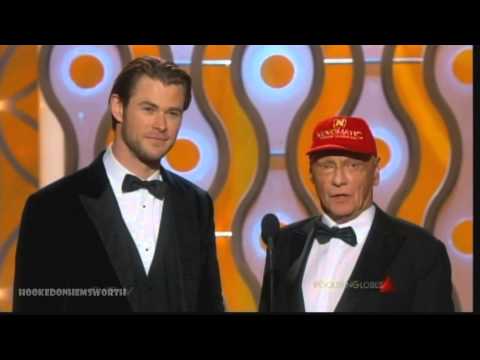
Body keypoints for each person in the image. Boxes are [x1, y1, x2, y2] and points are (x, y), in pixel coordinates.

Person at [14, 56, 224, 313]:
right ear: (118, 107)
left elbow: (209, 305)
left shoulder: (196, 204)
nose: (161, 125)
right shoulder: (51, 207)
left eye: (172, 113)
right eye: (148, 109)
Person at [259, 115, 454, 312]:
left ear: (375, 172)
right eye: (327, 166)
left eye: (353, 165)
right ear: (311, 173)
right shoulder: (282, 245)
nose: (338, 179)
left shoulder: (421, 252)